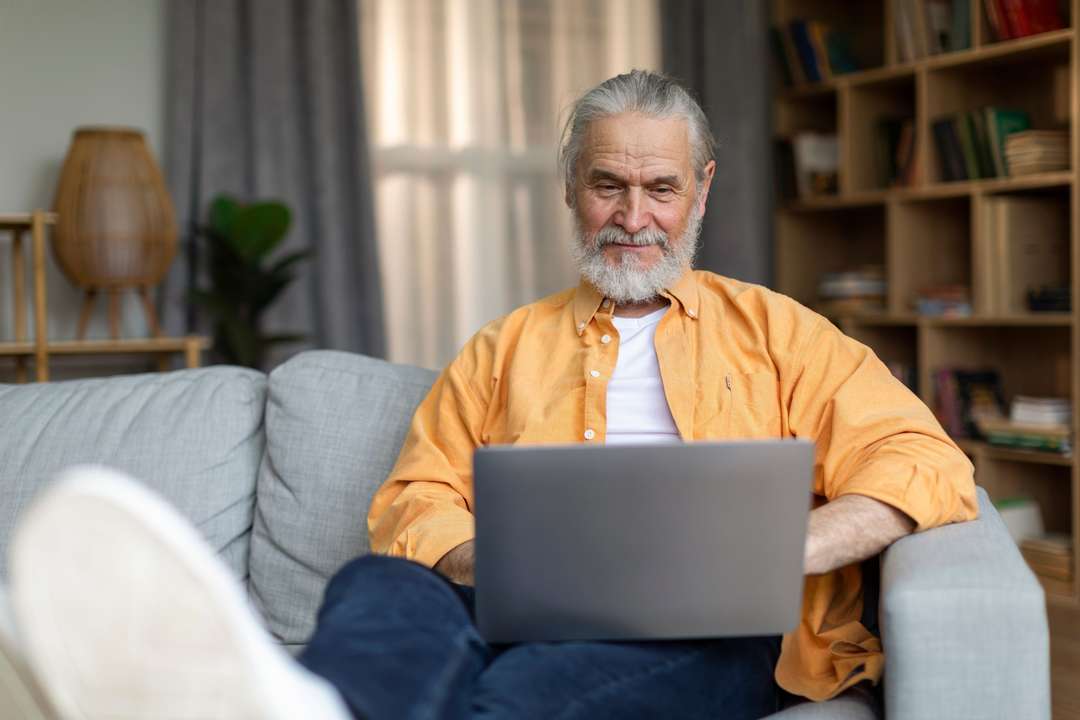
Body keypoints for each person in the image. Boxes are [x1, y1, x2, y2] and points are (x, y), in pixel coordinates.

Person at [5, 70, 977, 720]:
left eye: (660, 188)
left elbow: (925, 460)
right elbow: (413, 501)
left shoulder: (780, 333)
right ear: (570, 188)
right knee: (376, 583)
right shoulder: (504, 348)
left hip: (713, 629)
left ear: (702, 190)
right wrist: (500, 559)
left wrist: (787, 547)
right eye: (607, 185)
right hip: (515, 602)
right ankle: (310, 703)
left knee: (520, 695)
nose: (633, 216)